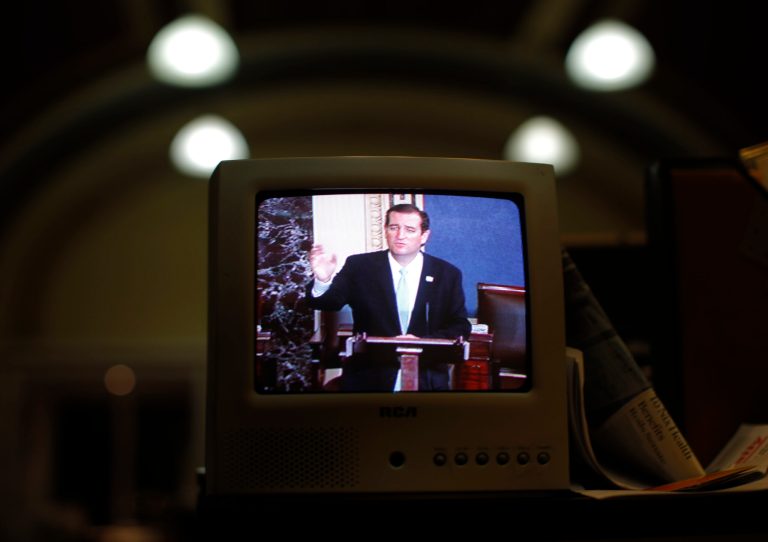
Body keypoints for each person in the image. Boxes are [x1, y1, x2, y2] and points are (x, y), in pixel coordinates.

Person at [306, 203, 471, 391]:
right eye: (394, 228)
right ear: (386, 231)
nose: (400, 235)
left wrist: (421, 343)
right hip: (369, 376)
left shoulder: (447, 274)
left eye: (409, 229)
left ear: (424, 236)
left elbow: (460, 326)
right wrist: (323, 278)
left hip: (426, 376)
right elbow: (328, 302)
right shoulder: (360, 266)